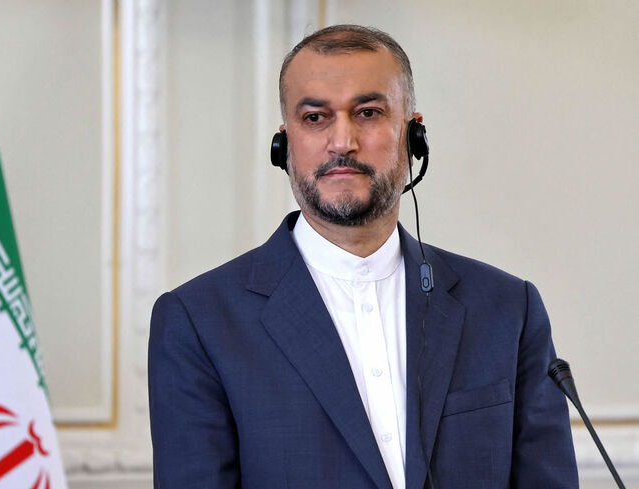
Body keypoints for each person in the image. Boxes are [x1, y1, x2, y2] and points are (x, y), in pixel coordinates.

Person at [148, 24, 578, 489]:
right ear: (283, 145)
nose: (342, 142)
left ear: (414, 137)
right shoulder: (198, 321)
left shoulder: (508, 308)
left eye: (368, 112)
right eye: (315, 118)